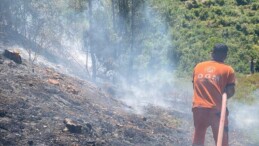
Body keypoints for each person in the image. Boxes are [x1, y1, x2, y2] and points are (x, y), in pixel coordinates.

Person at [192, 43, 236, 146]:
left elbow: (195, 86)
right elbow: (230, 91)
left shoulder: (198, 66)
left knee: (198, 139)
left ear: (212, 53)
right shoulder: (228, 69)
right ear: (225, 55)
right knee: (222, 140)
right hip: (217, 111)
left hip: (198, 108)